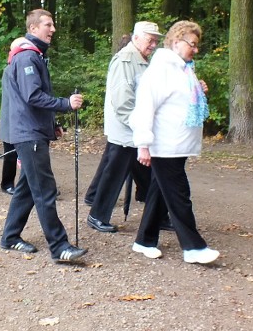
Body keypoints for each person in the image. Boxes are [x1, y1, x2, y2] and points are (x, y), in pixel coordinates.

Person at [0, 9, 87, 263]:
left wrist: (52, 124)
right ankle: (59, 247)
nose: (53, 29)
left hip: (32, 131)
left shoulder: (33, 56)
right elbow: (32, 96)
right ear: (34, 27)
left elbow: (31, 100)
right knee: (45, 190)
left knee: (27, 189)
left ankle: (10, 237)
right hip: (28, 135)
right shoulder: (27, 57)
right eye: (48, 25)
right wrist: (66, 104)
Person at [129, 20, 220, 264]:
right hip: (165, 145)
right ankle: (193, 247)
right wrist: (143, 144)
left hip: (177, 144)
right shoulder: (161, 70)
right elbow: (145, 108)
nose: (196, 49)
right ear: (177, 41)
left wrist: (198, 89)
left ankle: (144, 240)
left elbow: (180, 100)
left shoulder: (184, 69)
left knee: (160, 192)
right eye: (193, 44)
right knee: (180, 194)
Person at [85, 22, 163, 233]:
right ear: (137, 38)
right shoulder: (125, 60)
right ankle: (97, 215)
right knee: (114, 174)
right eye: (150, 40)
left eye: (156, 40)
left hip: (137, 129)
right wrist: (139, 128)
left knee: (149, 173)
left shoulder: (143, 60)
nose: (154, 44)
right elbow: (122, 102)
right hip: (126, 130)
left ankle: (159, 215)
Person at [0, 37, 33, 195]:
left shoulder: (27, 65)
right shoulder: (10, 69)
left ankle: (33, 185)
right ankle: (6, 183)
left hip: (23, 120)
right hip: (12, 118)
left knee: (31, 155)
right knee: (10, 154)